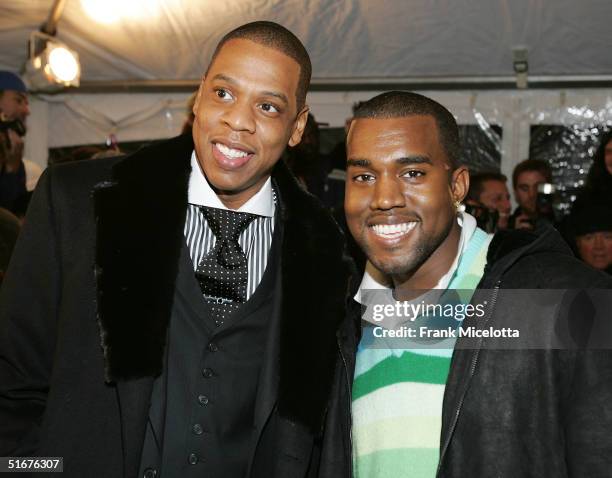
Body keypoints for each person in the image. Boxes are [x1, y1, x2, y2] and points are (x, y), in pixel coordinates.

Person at [0, 21, 355, 478]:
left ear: (297, 127)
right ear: (199, 95)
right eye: (224, 94)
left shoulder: (327, 253)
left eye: (268, 106)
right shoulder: (77, 202)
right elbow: (13, 381)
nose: (238, 120)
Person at [345, 91, 612, 477]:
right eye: (364, 176)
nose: (384, 198)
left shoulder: (570, 299)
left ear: (457, 186)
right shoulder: (339, 316)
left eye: (412, 173)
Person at [0, 71, 42, 214]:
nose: (26, 110)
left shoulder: (15, 159)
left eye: (26, 103)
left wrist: (12, 168)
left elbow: (15, 213)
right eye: (18, 101)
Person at [508, 158, 552, 230]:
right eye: (524, 188)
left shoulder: (565, 226)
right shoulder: (504, 227)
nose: (531, 194)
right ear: (515, 193)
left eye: (537, 187)